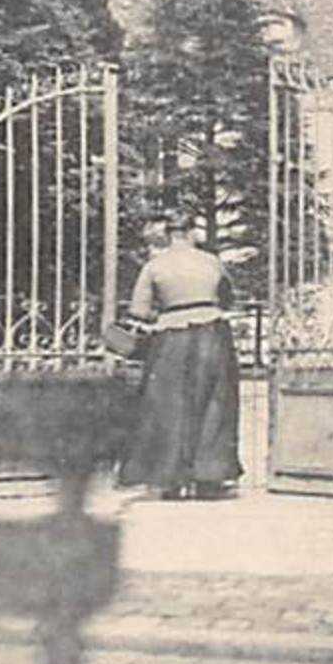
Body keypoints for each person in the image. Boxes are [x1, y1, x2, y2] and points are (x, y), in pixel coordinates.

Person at [117, 211, 243, 500]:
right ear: (191, 232)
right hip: (212, 332)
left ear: (167, 234)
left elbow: (138, 311)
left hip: (171, 335)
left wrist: (167, 308)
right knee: (215, 403)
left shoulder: (154, 266)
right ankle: (210, 477)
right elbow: (227, 298)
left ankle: (169, 479)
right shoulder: (212, 262)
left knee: (168, 405)